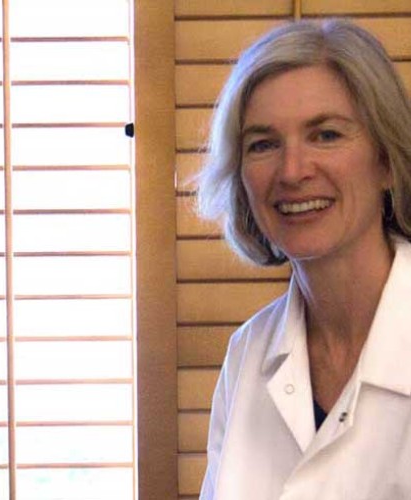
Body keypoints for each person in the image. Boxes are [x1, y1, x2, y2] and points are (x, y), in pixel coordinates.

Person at [196, 19, 411, 500]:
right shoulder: (248, 353)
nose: (292, 171)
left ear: (387, 160)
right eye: (263, 144)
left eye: (327, 135)